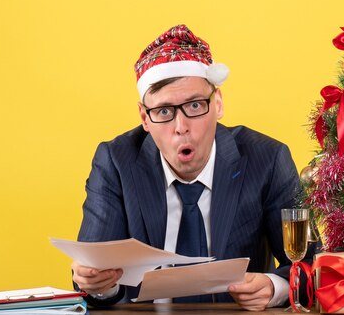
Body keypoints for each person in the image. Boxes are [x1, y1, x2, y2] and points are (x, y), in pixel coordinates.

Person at [72, 25, 311, 311]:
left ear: (218, 103)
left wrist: (275, 287)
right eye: (163, 111)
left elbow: (309, 264)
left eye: (195, 106)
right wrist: (99, 283)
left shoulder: (268, 159)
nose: (181, 127)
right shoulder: (116, 162)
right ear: (144, 118)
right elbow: (92, 278)